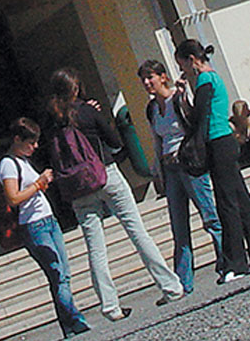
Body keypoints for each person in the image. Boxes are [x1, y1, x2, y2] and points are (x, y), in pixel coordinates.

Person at [43, 67, 183, 320]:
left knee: (95, 248)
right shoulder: (87, 112)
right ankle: (170, 286)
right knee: (137, 231)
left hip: (78, 189)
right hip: (106, 175)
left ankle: (110, 306)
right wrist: (98, 119)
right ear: (75, 88)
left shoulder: (51, 122)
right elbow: (115, 141)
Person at [173, 40, 250, 281]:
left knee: (227, 202)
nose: (184, 71)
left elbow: (199, 116)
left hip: (217, 143)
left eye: (183, 66)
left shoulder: (205, 81)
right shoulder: (214, 78)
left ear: (191, 60)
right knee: (241, 199)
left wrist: (182, 96)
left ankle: (235, 263)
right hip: (225, 142)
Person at [0, 118, 91, 338]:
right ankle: (75, 320)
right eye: (31, 142)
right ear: (17, 139)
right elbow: (13, 198)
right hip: (33, 225)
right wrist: (38, 184)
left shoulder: (24, 161)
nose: (35, 147)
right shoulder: (8, 164)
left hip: (49, 220)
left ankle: (69, 325)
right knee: (58, 272)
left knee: (61, 273)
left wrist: (40, 185)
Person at [139, 58, 225, 294]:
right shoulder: (152, 109)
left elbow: (193, 123)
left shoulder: (178, 98)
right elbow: (156, 139)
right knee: (179, 227)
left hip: (187, 162)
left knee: (209, 215)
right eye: (144, 79)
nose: (147, 83)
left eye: (151, 77)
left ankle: (226, 261)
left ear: (162, 77)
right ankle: (183, 282)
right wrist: (157, 170)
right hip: (169, 167)